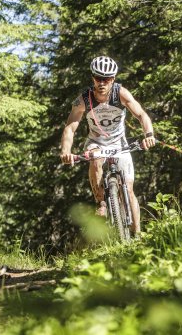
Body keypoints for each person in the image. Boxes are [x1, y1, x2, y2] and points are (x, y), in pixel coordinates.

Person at [60, 56, 156, 236]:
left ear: (113, 79)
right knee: (95, 159)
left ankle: (137, 234)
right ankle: (101, 203)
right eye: (98, 78)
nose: (102, 82)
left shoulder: (121, 93)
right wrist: (66, 151)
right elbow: (70, 127)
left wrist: (149, 135)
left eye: (107, 79)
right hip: (96, 142)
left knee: (127, 189)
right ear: (92, 77)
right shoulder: (83, 100)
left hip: (119, 143)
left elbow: (141, 115)